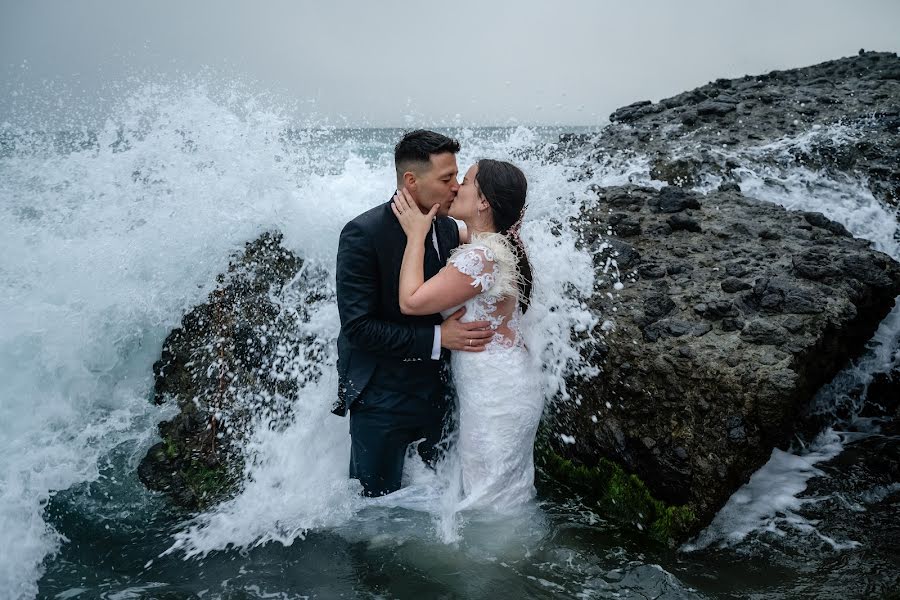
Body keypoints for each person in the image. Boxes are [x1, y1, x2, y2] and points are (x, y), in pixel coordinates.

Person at [334, 130, 493, 497]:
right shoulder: (363, 233)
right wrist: (440, 338)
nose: (456, 186)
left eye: (456, 177)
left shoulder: (449, 227)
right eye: (446, 178)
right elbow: (358, 328)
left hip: (439, 392)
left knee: (437, 502)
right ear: (411, 180)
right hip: (381, 397)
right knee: (372, 511)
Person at [391, 159, 544, 512]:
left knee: (491, 499)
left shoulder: (481, 256)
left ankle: (501, 561)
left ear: (484, 202)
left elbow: (411, 302)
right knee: (500, 492)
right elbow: (460, 233)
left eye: (467, 180)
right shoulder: (495, 241)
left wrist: (415, 236)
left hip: (496, 393)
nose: (457, 186)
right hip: (502, 383)